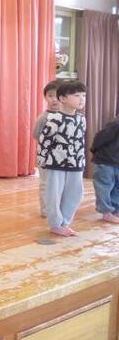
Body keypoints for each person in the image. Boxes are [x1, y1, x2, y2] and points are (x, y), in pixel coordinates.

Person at [37, 80, 87, 236]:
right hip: (56, 164)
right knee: (54, 194)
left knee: (75, 194)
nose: (81, 99)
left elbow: (80, 142)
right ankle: (55, 224)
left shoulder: (81, 119)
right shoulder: (54, 119)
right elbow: (44, 141)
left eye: (83, 95)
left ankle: (64, 222)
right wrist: (42, 160)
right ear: (63, 99)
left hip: (76, 164)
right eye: (77, 96)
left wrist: (81, 160)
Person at [32, 81, 61, 217]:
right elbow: (36, 134)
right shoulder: (43, 118)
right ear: (45, 97)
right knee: (45, 183)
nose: (54, 99)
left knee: (59, 184)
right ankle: (45, 210)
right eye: (50, 96)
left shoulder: (66, 116)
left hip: (61, 157)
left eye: (57, 95)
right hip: (45, 157)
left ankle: (57, 208)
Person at [90, 114, 119, 223]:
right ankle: (106, 212)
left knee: (117, 187)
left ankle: (115, 210)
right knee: (104, 187)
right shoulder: (115, 124)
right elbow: (99, 139)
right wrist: (95, 151)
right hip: (105, 161)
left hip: (116, 162)